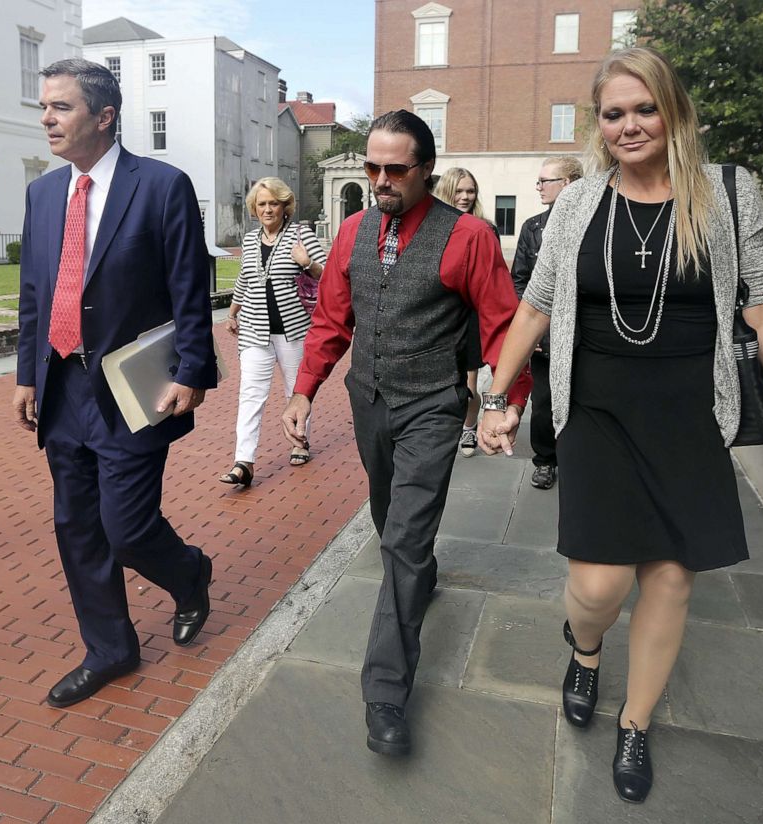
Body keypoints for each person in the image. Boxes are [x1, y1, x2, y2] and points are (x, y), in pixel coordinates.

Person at [478, 47, 763, 803]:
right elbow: (535, 306)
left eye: (644, 109)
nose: (630, 125)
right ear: (598, 127)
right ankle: (589, 647)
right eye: (614, 114)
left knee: (671, 577)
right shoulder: (577, 205)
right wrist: (497, 396)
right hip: (597, 410)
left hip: (688, 415)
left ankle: (635, 722)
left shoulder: (726, 197)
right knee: (598, 584)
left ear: (673, 112)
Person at [282, 110, 531, 757]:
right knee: (388, 514)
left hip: (432, 405)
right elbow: (332, 319)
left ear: (426, 169)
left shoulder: (468, 237)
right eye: (372, 167)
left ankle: (386, 690)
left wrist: (504, 401)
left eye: (396, 169)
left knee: (404, 540)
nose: (381, 180)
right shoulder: (354, 232)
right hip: (368, 400)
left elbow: (503, 325)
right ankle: (417, 570)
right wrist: (304, 389)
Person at [12, 59, 218, 709]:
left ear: (104, 117)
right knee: (77, 526)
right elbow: (33, 294)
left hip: (129, 389)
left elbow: (191, 287)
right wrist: (25, 374)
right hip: (61, 390)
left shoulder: (161, 187)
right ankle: (110, 648)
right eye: (44, 107)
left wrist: (192, 371)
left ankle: (188, 573)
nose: (46, 118)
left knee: (125, 528)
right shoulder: (44, 194)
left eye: (61, 107)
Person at [220, 178, 327, 487]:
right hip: (255, 331)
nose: (267, 209)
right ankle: (244, 461)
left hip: (293, 330)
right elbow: (245, 280)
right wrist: (232, 313)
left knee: (296, 391)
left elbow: (328, 274)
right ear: (255, 209)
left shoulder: (300, 234)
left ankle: (299, 442)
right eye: (262, 204)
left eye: (273, 203)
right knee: (250, 395)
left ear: (284, 206)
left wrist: (307, 263)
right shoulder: (251, 240)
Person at [512, 156, 584, 489]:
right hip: (546, 334)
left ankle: (579, 460)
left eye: (545, 181)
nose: (539, 187)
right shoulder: (533, 227)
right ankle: (545, 460)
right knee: (543, 403)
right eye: (538, 181)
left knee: (583, 401)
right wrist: (535, 327)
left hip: (586, 335)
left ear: (567, 184)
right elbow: (520, 280)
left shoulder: (593, 223)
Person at [433, 167, 499, 457]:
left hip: (471, 316)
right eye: (458, 190)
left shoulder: (486, 228)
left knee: (469, 380)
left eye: (470, 190)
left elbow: (495, 282)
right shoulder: (432, 227)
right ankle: (441, 429)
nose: (465, 196)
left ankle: (469, 428)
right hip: (440, 315)